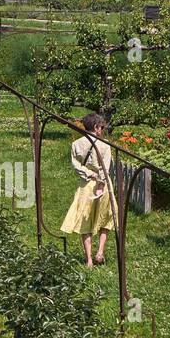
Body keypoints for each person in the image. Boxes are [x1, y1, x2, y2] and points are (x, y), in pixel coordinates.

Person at [60, 112, 117, 267]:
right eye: (101, 127)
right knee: (106, 217)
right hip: (103, 185)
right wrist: (101, 183)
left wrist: (89, 173)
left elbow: (76, 165)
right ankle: (100, 252)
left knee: (85, 220)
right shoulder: (105, 145)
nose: (102, 130)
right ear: (96, 127)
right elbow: (105, 167)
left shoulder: (76, 144)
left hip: (86, 185)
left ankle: (89, 260)